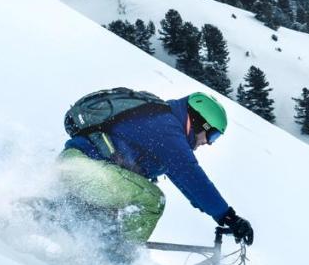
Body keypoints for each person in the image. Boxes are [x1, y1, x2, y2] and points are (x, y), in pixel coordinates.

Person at [57, 91, 254, 250]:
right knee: (152, 200)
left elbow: (185, 181)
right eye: (212, 135)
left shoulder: (160, 121)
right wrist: (228, 216)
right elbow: (190, 177)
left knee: (101, 226)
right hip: (85, 169)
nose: (209, 143)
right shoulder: (165, 126)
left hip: (82, 168)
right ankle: (117, 262)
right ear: (199, 122)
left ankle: (92, 250)